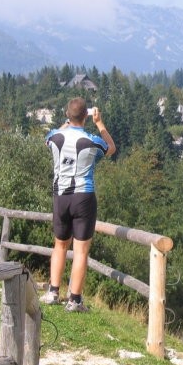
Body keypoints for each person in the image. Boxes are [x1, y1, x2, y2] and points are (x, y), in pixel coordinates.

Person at [40, 97, 116, 312]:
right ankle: (74, 300)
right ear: (86, 116)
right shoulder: (91, 140)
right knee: (81, 251)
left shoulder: (53, 137)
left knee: (60, 245)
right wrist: (99, 123)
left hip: (60, 196)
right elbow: (111, 148)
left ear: (67, 114)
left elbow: (56, 131)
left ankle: (53, 292)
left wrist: (69, 120)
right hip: (84, 196)